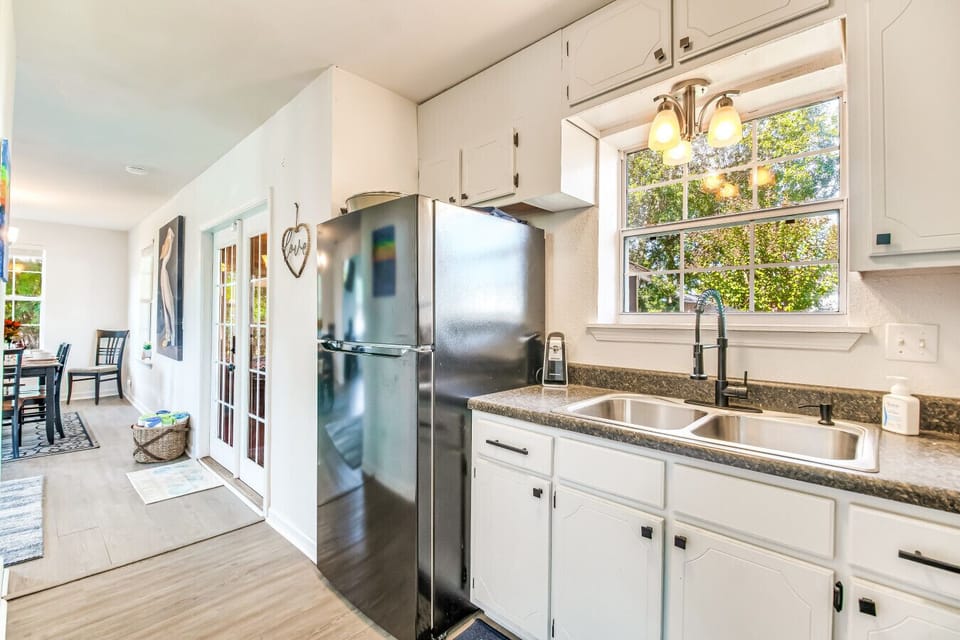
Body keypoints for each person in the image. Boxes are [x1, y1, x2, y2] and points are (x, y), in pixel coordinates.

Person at [158, 227, 176, 349]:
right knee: (165, 306)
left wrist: (170, 238)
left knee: (168, 306)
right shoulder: (165, 246)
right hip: (162, 277)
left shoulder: (164, 266)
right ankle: (169, 334)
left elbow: (166, 256)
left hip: (164, 276)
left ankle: (171, 335)